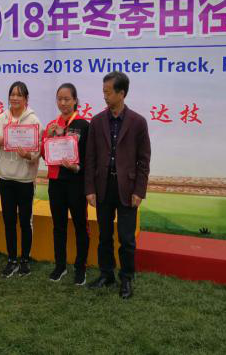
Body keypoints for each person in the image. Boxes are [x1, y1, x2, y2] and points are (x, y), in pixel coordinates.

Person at [85, 71, 151, 299]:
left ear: (121, 93)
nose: (104, 96)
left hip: (127, 189)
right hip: (103, 187)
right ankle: (106, 274)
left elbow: (144, 161)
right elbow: (90, 158)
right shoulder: (97, 121)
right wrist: (90, 189)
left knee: (126, 238)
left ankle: (126, 278)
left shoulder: (138, 122)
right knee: (104, 236)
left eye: (108, 92)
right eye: (103, 91)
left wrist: (139, 191)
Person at [0, 81, 41, 278]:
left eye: (19, 95)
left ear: (26, 99)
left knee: (25, 221)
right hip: (6, 178)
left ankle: (25, 260)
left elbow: (38, 150)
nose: (15, 98)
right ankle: (11, 259)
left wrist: (29, 155)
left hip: (25, 179)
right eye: (12, 94)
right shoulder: (1, 118)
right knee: (9, 221)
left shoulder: (33, 120)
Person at [41, 83, 90, 285]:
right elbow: (44, 154)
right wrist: (49, 137)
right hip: (56, 183)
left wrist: (76, 167)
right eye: (59, 99)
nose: (63, 103)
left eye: (67, 99)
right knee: (59, 226)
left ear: (75, 100)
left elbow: (89, 157)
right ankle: (60, 266)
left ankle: (80, 268)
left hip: (76, 183)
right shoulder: (52, 125)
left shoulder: (84, 125)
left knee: (80, 226)